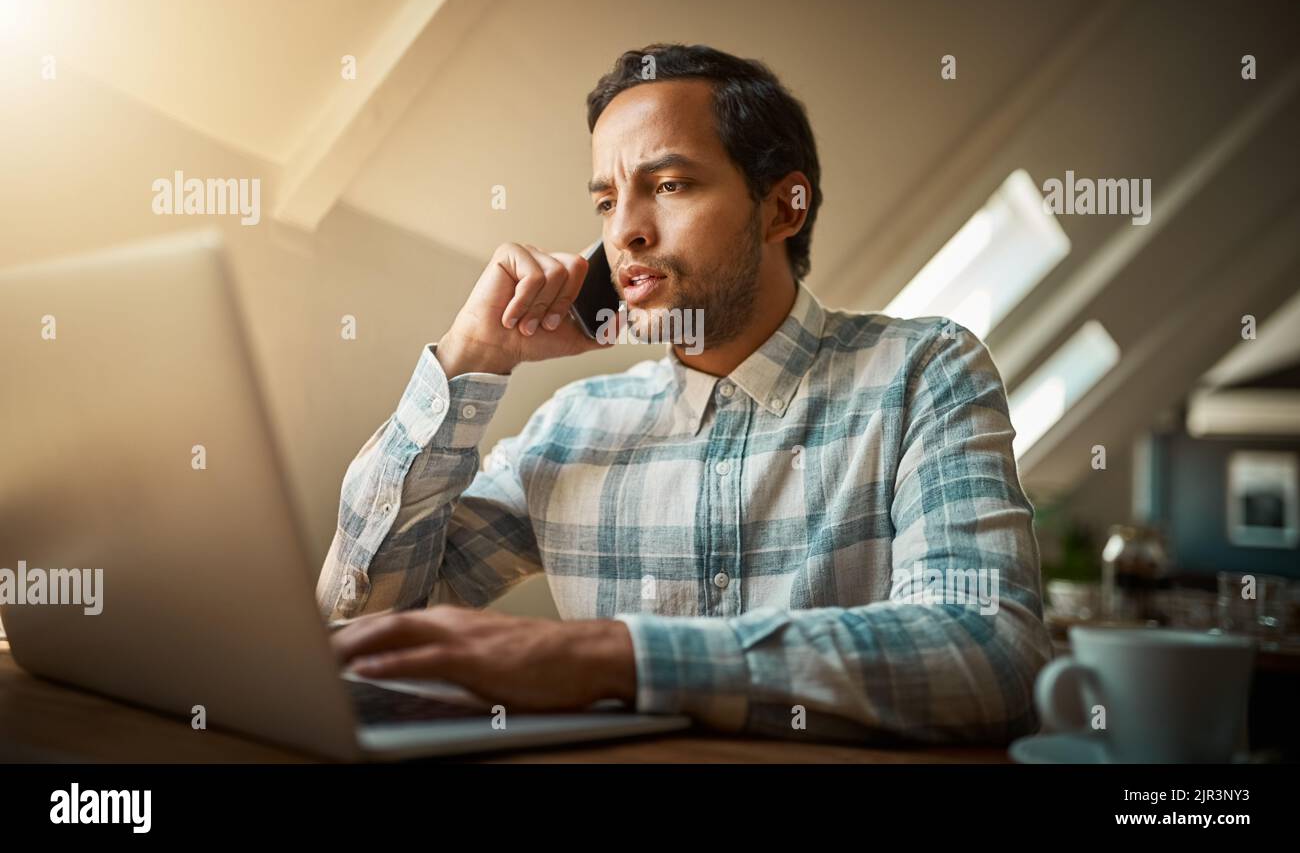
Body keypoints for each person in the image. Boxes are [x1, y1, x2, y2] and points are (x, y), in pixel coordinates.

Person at [319, 43, 1052, 744]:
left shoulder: (924, 369)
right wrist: (470, 359)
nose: (625, 233)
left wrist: (610, 658)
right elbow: (362, 627)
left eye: (669, 186)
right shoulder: (574, 426)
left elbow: (990, 654)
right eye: (607, 202)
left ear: (783, 208)